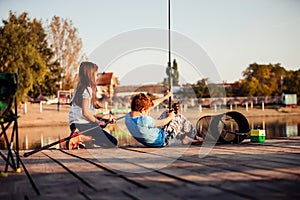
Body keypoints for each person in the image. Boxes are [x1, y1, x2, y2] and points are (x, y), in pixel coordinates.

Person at [125, 91, 203, 147]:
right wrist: (171, 116)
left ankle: (184, 138)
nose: (148, 112)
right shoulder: (143, 120)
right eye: (147, 110)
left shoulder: (127, 117)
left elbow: (151, 105)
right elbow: (163, 122)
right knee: (179, 118)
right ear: (142, 110)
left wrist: (166, 97)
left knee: (166, 112)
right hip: (164, 140)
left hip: (151, 140)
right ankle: (195, 135)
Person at [68, 61, 117, 149]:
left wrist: (103, 117)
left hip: (74, 124)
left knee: (101, 134)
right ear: (89, 75)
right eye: (95, 74)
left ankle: (81, 141)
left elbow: (85, 111)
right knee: (112, 142)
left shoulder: (78, 88)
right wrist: (98, 122)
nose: (97, 76)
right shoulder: (87, 89)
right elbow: (85, 113)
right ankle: (81, 138)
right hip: (83, 124)